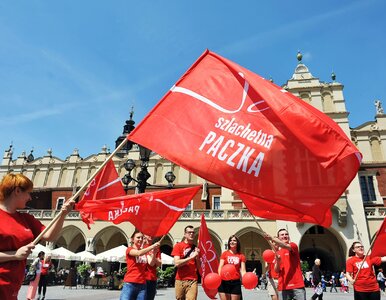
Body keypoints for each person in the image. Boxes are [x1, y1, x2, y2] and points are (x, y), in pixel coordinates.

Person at [0, 173, 74, 300]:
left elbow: (49, 235)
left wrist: (62, 215)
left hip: (12, 287)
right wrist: (14, 255)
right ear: (17, 191)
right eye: (28, 193)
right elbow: (17, 254)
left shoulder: (26, 218)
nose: (30, 198)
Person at [265, 228, 306, 300]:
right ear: (279, 238)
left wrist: (272, 238)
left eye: (286, 234)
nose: (284, 236)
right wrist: (278, 260)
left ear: (289, 236)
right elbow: (277, 270)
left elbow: (284, 245)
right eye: (282, 235)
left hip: (297, 285)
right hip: (283, 286)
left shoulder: (293, 246)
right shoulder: (277, 253)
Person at [120, 229, 160, 300]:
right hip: (130, 283)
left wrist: (154, 253)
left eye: (142, 237)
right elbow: (138, 253)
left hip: (142, 284)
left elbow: (151, 263)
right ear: (132, 239)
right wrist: (152, 246)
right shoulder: (129, 249)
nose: (140, 239)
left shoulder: (145, 252)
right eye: (138, 237)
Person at [172, 225, 200, 300]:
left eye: (193, 232)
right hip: (180, 280)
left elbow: (199, 267)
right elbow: (177, 263)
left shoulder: (196, 248)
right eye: (189, 232)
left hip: (192, 280)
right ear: (185, 234)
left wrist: (197, 258)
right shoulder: (178, 246)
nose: (191, 234)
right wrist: (191, 257)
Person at [217, 235, 246, 300]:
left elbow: (243, 270)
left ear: (237, 243)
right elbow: (220, 267)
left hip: (235, 282)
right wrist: (219, 278)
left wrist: (246, 279)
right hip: (224, 282)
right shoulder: (225, 254)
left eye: (234, 240)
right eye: (230, 240)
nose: (232, 242)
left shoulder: (241, 256)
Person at [143, 235, 161, 300]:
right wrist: (154, 256)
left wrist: (154, 256)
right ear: (144, 235)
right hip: (143, 278)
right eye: (148, 234)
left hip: (152, 278)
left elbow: (159, 264)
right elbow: (151, 263)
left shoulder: (157, 249)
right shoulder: (142, 248)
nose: (151, 235)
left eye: (152, 234)